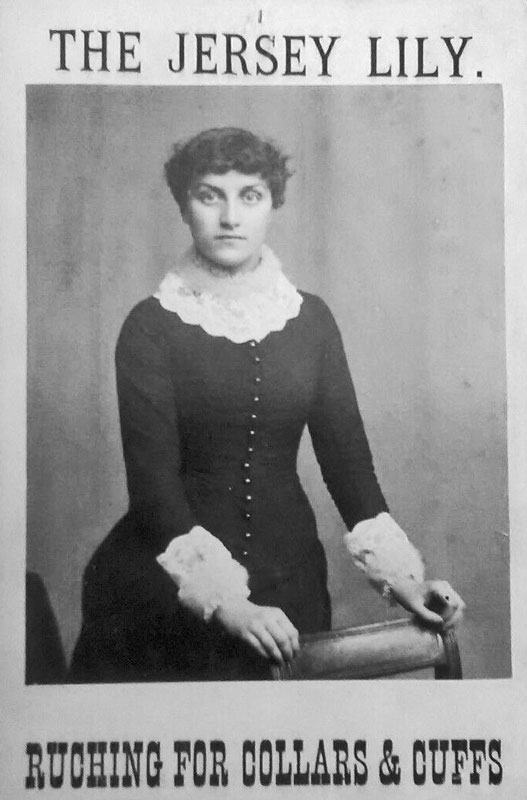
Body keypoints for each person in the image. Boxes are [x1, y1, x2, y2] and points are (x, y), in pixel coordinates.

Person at [70, 127, 464, 682]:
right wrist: (228, 604)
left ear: (272, 204)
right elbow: (154, 490)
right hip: (166, 598)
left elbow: (350, 469)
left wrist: (405, 581)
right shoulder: (149, 327)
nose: (230, 216)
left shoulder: (311, 321)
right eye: (210, 195)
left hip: (291, 584)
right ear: (184, 206)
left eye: (249, 196)